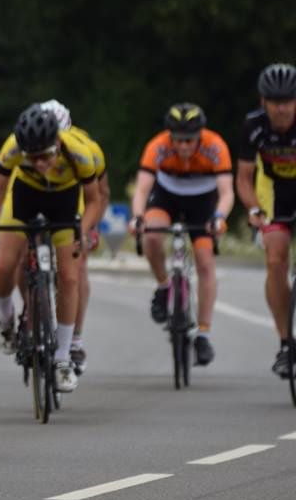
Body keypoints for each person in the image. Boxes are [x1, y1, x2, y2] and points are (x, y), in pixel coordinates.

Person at [0, 104, 101, 393]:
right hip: (26, 196)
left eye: (46, 156)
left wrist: (83, 232)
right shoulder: (13, 147)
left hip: (65, 200)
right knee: (4, 265)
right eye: (33, 158)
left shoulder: (78, 152)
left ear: (57, 142)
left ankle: (61, 360)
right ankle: (6, 321)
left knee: (69, 277)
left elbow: (94, 200)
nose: (41, 163)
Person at [129, 102, 233, 366]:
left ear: (200, 134)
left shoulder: (215, 146)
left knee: (205, 260)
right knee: (152, 236)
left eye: (190, 140)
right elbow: (142, 189)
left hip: (203, 199)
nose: (184, 146)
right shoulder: (158, 146)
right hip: (167, 195)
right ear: (170, 136)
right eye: (179, 140)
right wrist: (138, 217)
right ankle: (164, 286)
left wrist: (219, 217)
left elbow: (226, 192)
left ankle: (203, 334)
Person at [38, 99, 110, 375]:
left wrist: (92, 228)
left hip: (75, 204)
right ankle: (29, 320)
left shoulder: (87, 149)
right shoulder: (28, 141)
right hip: (37, 198)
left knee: (76, 269)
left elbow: (101, 193)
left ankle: (75, 339)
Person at [235, 63, 296, 377]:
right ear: (264, 102)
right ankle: (286, 343)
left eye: (288, 101)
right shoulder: (253, 126)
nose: (282, 108)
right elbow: (244, 178)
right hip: (276, 194)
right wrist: (254, 209)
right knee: (275, 259)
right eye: (276, 102)